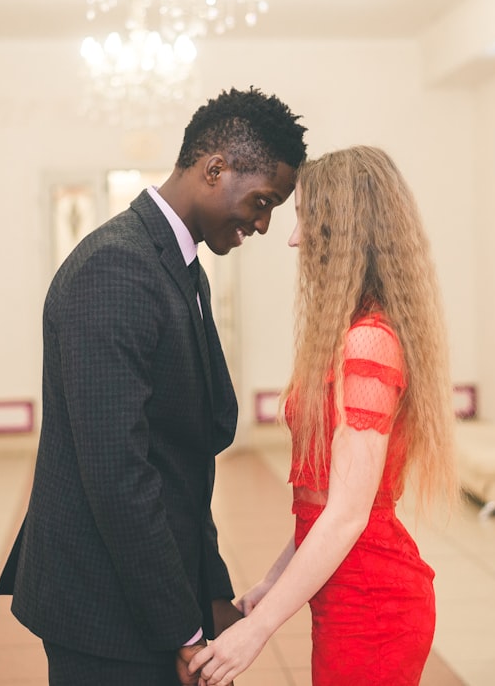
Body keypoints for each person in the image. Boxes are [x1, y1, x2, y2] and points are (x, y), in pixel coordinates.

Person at [0, 87, 307, 685]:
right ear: (215, 169)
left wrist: (210, 594)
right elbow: (120, 478)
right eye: (263, 200)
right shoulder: (115, 268)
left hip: (146, 583)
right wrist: (183, 632)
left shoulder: (179, 264)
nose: (265, 224)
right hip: (103, 610)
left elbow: (177, 463)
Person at [189, 145, 459, 686]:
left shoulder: (368, 344)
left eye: (304, 219)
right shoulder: (355, 335)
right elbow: (320, 505)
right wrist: (273, 580)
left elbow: (347, 515)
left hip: (374, 605)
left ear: (342, 230)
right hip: (345, 593)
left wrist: (258, 628)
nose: (293, 238)